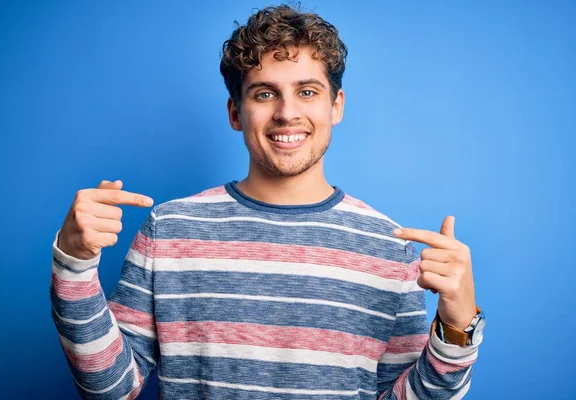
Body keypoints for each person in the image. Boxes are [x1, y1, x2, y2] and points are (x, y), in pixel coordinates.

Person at [50, 4, 485, 399]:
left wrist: (457, 328)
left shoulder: (390, 248)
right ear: (236, 112)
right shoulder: (169, 230)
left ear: (337, 105)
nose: (286, 112)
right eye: (264, 93)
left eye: (308, 92)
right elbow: (110, 389)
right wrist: (73, 265)